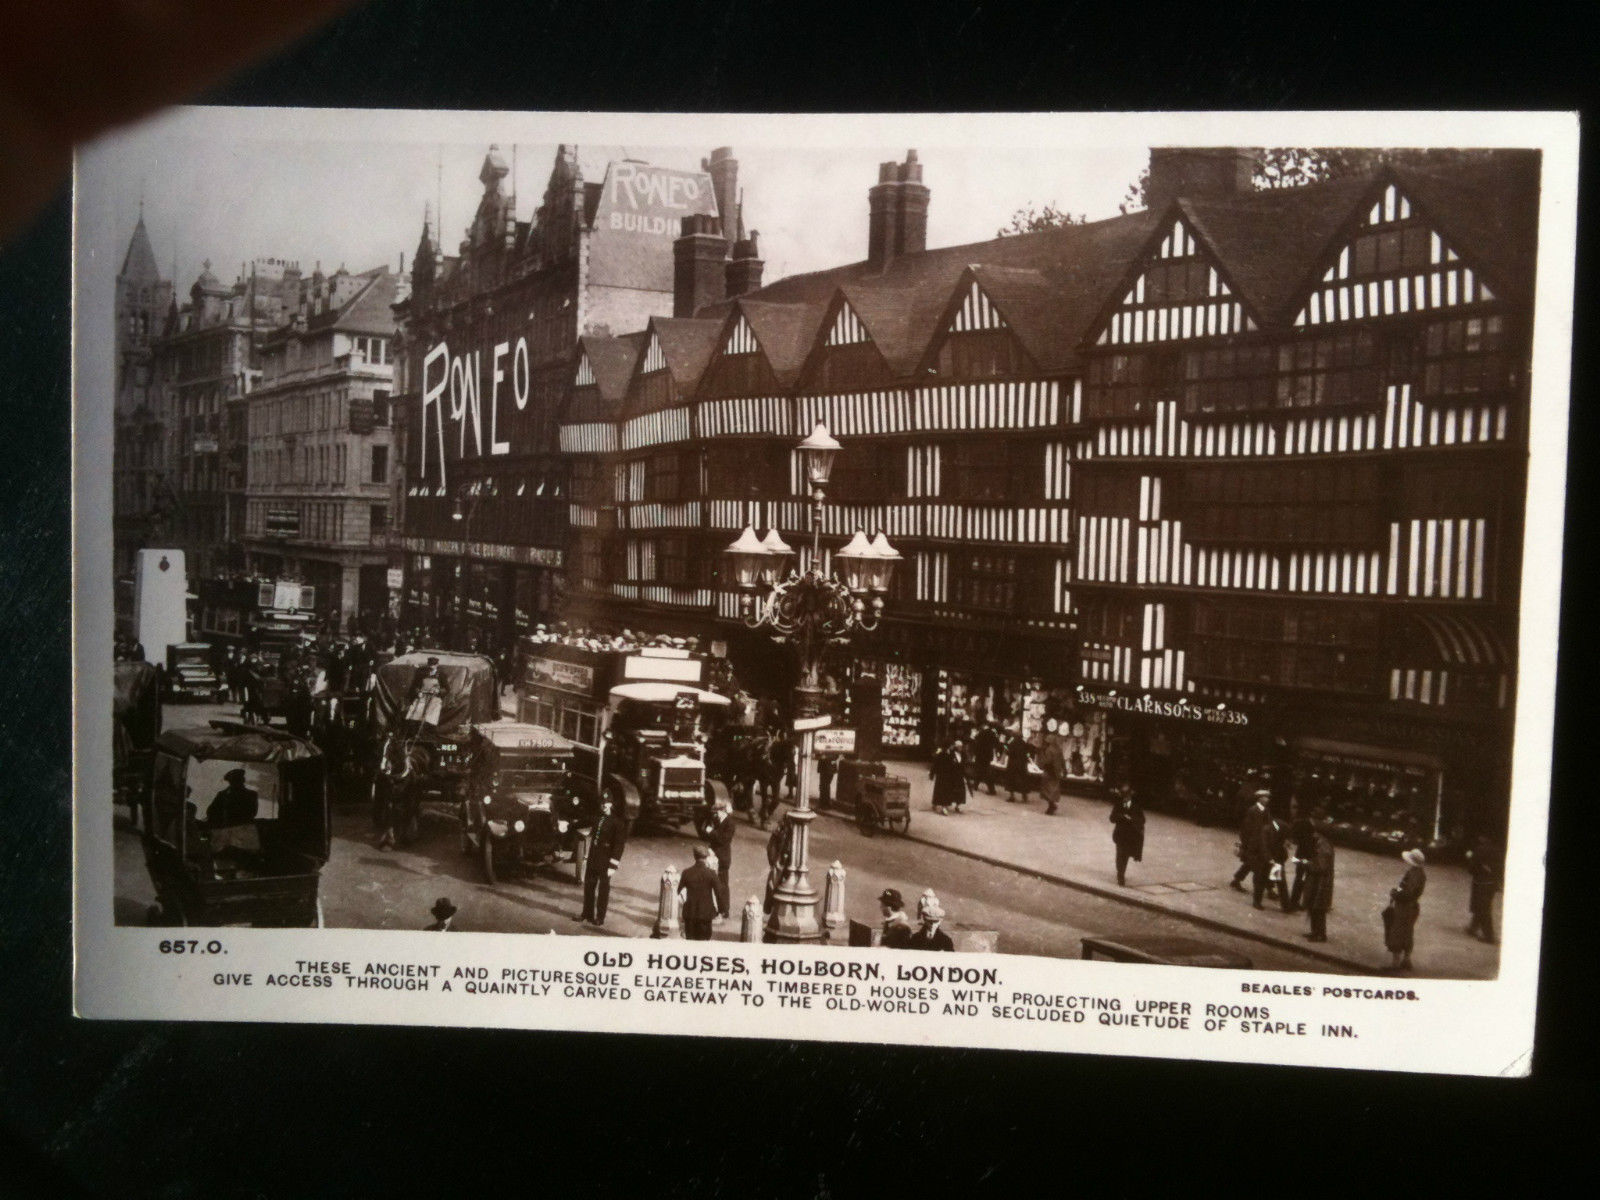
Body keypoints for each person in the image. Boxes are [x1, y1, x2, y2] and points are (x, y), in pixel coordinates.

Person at [578, 797, 628, 927]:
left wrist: (613, 865)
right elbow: (583, 822)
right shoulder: (598, 818)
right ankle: (587, 914)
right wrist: (569, 824)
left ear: (612, 804)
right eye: (603, 804)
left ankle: (600, 917)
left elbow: (619, 845)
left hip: (606, 860)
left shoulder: (618, 822)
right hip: (593, 857)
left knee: (603, 890)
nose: (604, 806)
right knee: (589, 886)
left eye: (607, 804)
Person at [1384, 848, 1427, 971]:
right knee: (1407, 933)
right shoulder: (1420, 873)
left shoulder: (1414, 874)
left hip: (1404, 907)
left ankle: (1395, 964)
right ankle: (1406, 960)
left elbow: (1407, 892)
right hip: (1411, 906)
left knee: (1397, 932)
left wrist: (1394, 894)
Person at [1233, 789, 1275, 909]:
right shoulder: (1253, 810)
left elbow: (1270, 824)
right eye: (1265, 797)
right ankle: (1268, 889)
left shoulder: (1266, 811)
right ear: (1259, 798)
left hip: (1261, 842)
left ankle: (1237, 879)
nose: (1267, 799)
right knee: (1258, 867)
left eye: (1268, 797)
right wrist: (1245, 843)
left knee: (1251, 864)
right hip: (1253, 843)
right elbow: (1246, 828)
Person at [699, 795, 737, 920]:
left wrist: (711, 832)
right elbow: (704, 830)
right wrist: (707, 827)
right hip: (713, 855)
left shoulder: (730, 823)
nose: (716, 815)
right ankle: (714, 907)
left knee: (722, 884)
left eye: (718, 813)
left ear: (723, 811)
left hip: (723, 858)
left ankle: (724, 909)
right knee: (713, 882)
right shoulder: (717, 820)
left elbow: (723, 839)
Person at [1302, 815, 1335, 942]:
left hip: (1320, 882)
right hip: (1318, 881)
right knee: (1314, 906)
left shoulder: (1323, 845)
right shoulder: (1321, 843)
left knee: (1318, 908)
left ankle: (1320, 934)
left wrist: (1306, 863)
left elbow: (1321, 866)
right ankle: (1315, 931)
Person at [678, 846, 721, 940]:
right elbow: (719, 893)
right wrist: (719, 911)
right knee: (703, 943)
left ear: (694, 856)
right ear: (706, 858)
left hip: (690, 914)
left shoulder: (686, 872)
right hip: (705, 915)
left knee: (690, 942)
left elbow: (678, 891)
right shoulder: (711, 873)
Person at [1465, 834, 1501, 943]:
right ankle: (1473, 927)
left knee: (1481, 907)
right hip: (1492, 882)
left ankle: (1489, 936)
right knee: (1483, 905)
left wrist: (1470, 857)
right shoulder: (1498, 850)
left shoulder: (1480, 849)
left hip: (1481, 881)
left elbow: (1472, 868)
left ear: (1484, 838)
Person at [1109, 784, 1145, 886]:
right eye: (1123, 796)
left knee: (1125, 856)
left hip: (1130, 836)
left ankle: (1121, 873)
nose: (1125, 799)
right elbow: (1112, 818)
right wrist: (1122, 817)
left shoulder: (1136, 806)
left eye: (1127, 796)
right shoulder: (1118, 804)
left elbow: (1143, 820)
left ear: (1130, 796)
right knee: (1120, 855)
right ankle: (1120, 875)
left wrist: (1132, 819)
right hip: (1120, 835)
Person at [1287, 799, 1315, 912]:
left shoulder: (1300, 821)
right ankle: (1295, 901)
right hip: (1305, 854)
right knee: (1301, 878)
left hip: (1302, 853)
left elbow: (1294, 837)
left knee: (1301, 877)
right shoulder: (1305, 822)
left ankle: (1296, 901)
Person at [930, 737, 970, 816]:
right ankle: (937, 804)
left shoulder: (950, 753)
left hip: (948, 775)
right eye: (952, 745)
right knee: (939, 790)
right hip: (941, 774)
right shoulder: (941, 752)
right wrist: (932, 773)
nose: (953, 746)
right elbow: (935, 763)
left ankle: (943, 805)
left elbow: (953, 764)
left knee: (945, 791)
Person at [1037, 732, 1066, 815]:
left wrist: (1041, 763)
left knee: (1047, 790)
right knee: (1053, 789)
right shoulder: (1059, 749)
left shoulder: (1049, 750)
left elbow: (1048, 761)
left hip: (1049, 772)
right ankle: (1052, 805)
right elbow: (1062, 760)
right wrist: (1064, 770)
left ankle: (1051, 806)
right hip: (1057, 772)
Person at [1003, 729, 1033, 804]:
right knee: (1023, 780)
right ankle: (1024, 796)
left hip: (1013, 763)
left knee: (1011, 780)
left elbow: (1008, 752)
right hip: (1022, 764)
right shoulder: (1024, 743)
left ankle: (1012, 796)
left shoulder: (1012, 743)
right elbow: (1027, 753)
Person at [971, 723, 1001, 795]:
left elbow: (975, 738)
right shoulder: (993, 734)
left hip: (979, 754)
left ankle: (976, 785)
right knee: (986, 771)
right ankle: (991, 789)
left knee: (979, 769)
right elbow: (997, 743)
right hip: (987, 755)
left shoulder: (982, 732)